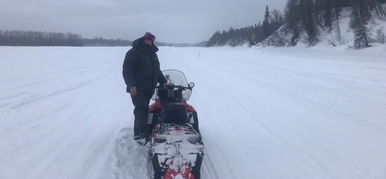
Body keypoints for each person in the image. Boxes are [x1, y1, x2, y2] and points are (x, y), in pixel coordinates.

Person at [122, 32, 167, 140]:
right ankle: (139, 133)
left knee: (145, 108)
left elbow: (156, 70)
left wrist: (163, 81)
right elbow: (127, 70)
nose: (149, 41)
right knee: (141, 108)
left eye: (151, 40)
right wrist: (131, 85)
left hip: (149, 88)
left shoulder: (152, 54)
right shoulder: (134, 52)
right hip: (137, 88)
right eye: (147, 39)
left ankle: (145, 129)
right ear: (144, 39)